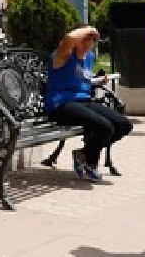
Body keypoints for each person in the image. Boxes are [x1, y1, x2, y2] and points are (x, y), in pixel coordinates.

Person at [44, 25, 133, 183]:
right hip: (62, 105)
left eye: (90, 40)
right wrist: (90, 28)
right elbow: (69, 39)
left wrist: (97, 77)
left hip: (83, 101)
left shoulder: (89, 57)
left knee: (123, 124)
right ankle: (91, 162)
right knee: (105, 127)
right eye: (83, 39)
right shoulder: (63, 55)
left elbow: (82, 77)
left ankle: (83, 154)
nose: (87, 43)